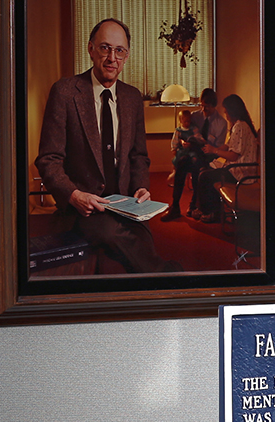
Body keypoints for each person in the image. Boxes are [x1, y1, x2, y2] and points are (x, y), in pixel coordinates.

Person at [34, 18, 177, 273]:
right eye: (105, 48)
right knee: (112, 234)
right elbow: (48, 159)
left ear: (127, 55)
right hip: (83, 209)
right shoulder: (65, 92)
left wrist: (142, 186)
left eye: (119, 51)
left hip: (126, 205)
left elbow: (139, 156)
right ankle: (168, 277)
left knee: (144, 243)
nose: (112, 57)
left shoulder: (132, 97)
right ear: (90, 49)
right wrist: (74, 195)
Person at [162, 87, 228, 221]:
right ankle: (175, 206)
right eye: (202, 106)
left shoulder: (221, 123)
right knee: (181, 163)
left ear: (214, 106)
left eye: (207, 107)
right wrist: (183, 142)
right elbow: (184, 132)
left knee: (198, 166)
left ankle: (194, 205)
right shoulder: (194, 116)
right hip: (191, 152)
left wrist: (211, 148)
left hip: (208, 156)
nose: (203, 110)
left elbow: (219, 148)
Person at [194, 94, 260, 223]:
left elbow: (234, 155)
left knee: (205, 176)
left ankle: (210, 212)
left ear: (232, 111)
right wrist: (212, 148)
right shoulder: (240, 125)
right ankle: (206, 209)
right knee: (204, 170)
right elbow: (229, 145)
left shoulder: (240, 127)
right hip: (237, 169)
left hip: (241, 173)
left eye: (226, 112)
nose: (226, 115)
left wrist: (215, 150)